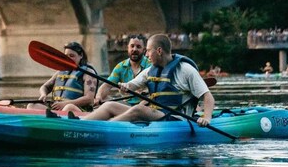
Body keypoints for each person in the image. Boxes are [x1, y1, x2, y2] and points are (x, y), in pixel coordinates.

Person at [81, 34, 215, 126]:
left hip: (176, 119)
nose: (146, 55)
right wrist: (125, 86)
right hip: (157, 114)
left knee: (138, 109)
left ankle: (102, 130)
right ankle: (80, 124)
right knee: (109, 105)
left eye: (148, 51)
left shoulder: (185, 70)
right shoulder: (150, 71)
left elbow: (207, 96)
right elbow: (132, 86)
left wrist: (206, 118)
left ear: (159, 51)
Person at [27, 42, 97, 112]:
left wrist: (65, 104)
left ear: (81, 55)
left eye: (72, 56)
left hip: (77, 110)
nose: (68, 59)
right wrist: (43, 94)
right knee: (32, 105)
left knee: (69, 108)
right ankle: (54, 117)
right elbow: (45, 87)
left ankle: (56, 117)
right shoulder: (59, 72)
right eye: (66, 56)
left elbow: (89, 99)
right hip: (57, 110)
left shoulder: (88, 73)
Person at [89, 35, 149, 109]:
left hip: (145, 104)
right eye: (132, 46)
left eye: (138, 47)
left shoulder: (150, 65)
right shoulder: (120, 66)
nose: (134, 49)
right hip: (126, 104)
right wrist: (98, 97)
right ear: (128, 48)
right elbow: (107, 85)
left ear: (144, 50)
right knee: (103, 99)